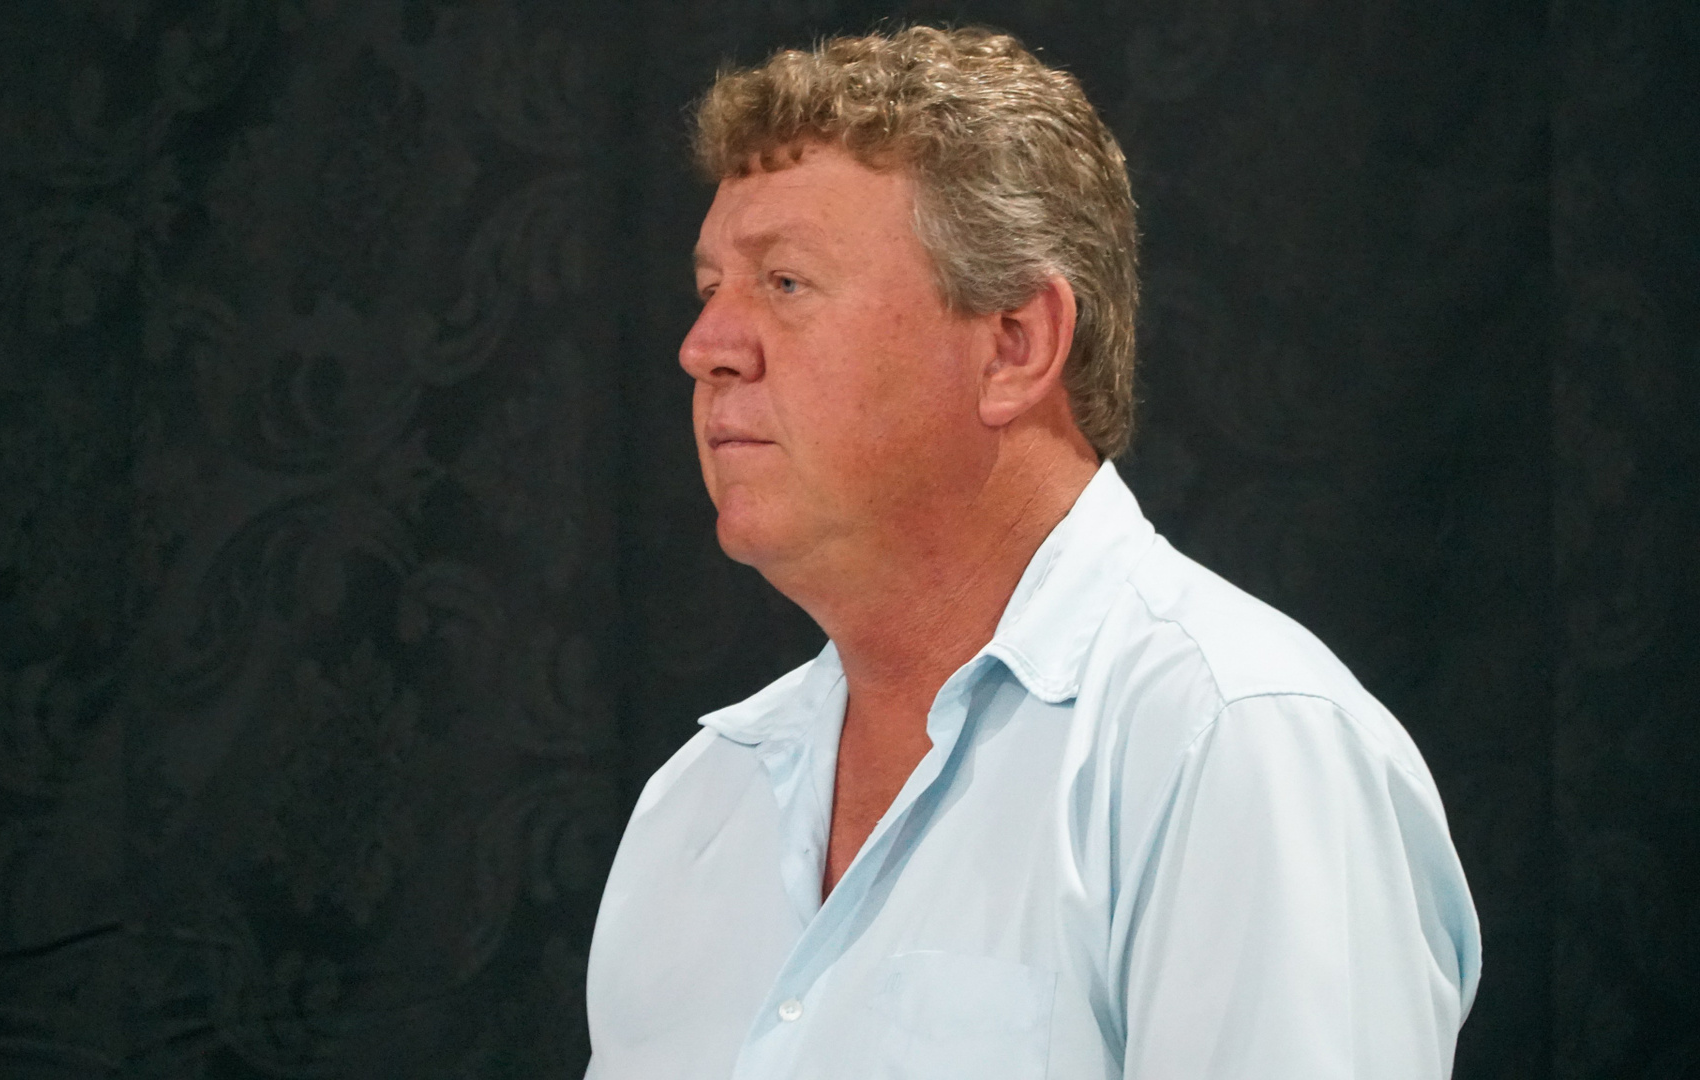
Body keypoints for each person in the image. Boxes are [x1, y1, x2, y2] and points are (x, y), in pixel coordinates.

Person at [584, 26, 1479, 1080]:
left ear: (1015, 345)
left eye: (784, 282)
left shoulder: (1237, 747)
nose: (705, 348)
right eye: (709, 291)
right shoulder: (697, 806)